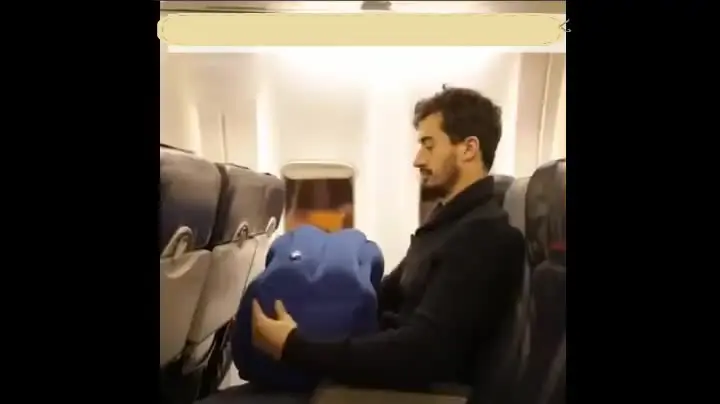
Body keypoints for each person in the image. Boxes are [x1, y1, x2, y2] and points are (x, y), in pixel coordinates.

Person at [251, 87, 527, 395]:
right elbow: (384, 296)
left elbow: (421, 354)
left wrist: (295, 347)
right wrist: (307, 320)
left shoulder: (483, 237)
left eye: (429, 145)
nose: (418, 159)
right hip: (395, 374)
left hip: (420, 392)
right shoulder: (444, 225)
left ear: (468, 149)